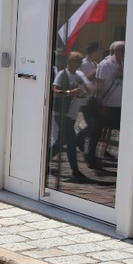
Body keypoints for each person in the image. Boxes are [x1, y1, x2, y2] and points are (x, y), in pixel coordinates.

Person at [48, 52, 91, 181]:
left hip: (72, 113)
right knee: (71, 141)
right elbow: (55, 91)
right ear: (70, 62)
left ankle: (42, 161)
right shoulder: (62, 74)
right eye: (76, 61)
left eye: (80, 62)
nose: (78, 64)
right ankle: (75, 171)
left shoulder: (78, 75)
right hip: (62, 112)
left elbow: (88, 88)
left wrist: (83, 91)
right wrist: (70, 92)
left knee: (60, 141)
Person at [85, 41, 124, 169]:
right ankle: (90, 156)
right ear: (117, 51)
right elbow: (100, 86)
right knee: (97, 131)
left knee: (121, 130)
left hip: (118, 104)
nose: (125, 53)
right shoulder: (106, 65)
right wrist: (101, 104)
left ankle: (113, 155)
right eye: (123, 50)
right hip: (105, 104)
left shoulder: (124, 64)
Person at [76, 41, 100, 151]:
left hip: (92, 98)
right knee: (91, 125)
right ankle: (76, 141)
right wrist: (90, 76)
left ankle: (80, 142)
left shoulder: (95, 64)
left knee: (92, 124)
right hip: (84, 99)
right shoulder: (83, 64)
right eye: (98, 51)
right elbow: (78, 80)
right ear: (94, 51)